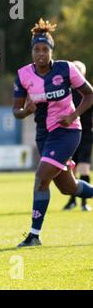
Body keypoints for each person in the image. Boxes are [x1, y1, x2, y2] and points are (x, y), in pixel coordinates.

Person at [13, 18, 93, 247]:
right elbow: (15, 111)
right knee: (69, 187)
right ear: (31, 51)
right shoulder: (23, 75)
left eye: (45, 49)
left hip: (67, 132)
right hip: (44, 135)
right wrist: (25, 111)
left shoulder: (65, 69)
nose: (40, 53)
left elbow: (90, 94)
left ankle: (34, 236)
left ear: (51, 51)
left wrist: (74, 115)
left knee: (41, 179)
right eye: (36, 49)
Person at [63, 61, 92, 212]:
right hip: (71, 135)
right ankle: (72, 200)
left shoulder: (89, 93)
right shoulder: (66, 92)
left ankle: (84, 203)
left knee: (84, 168)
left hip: (86, 135)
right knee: (71, 170)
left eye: (79, 70)